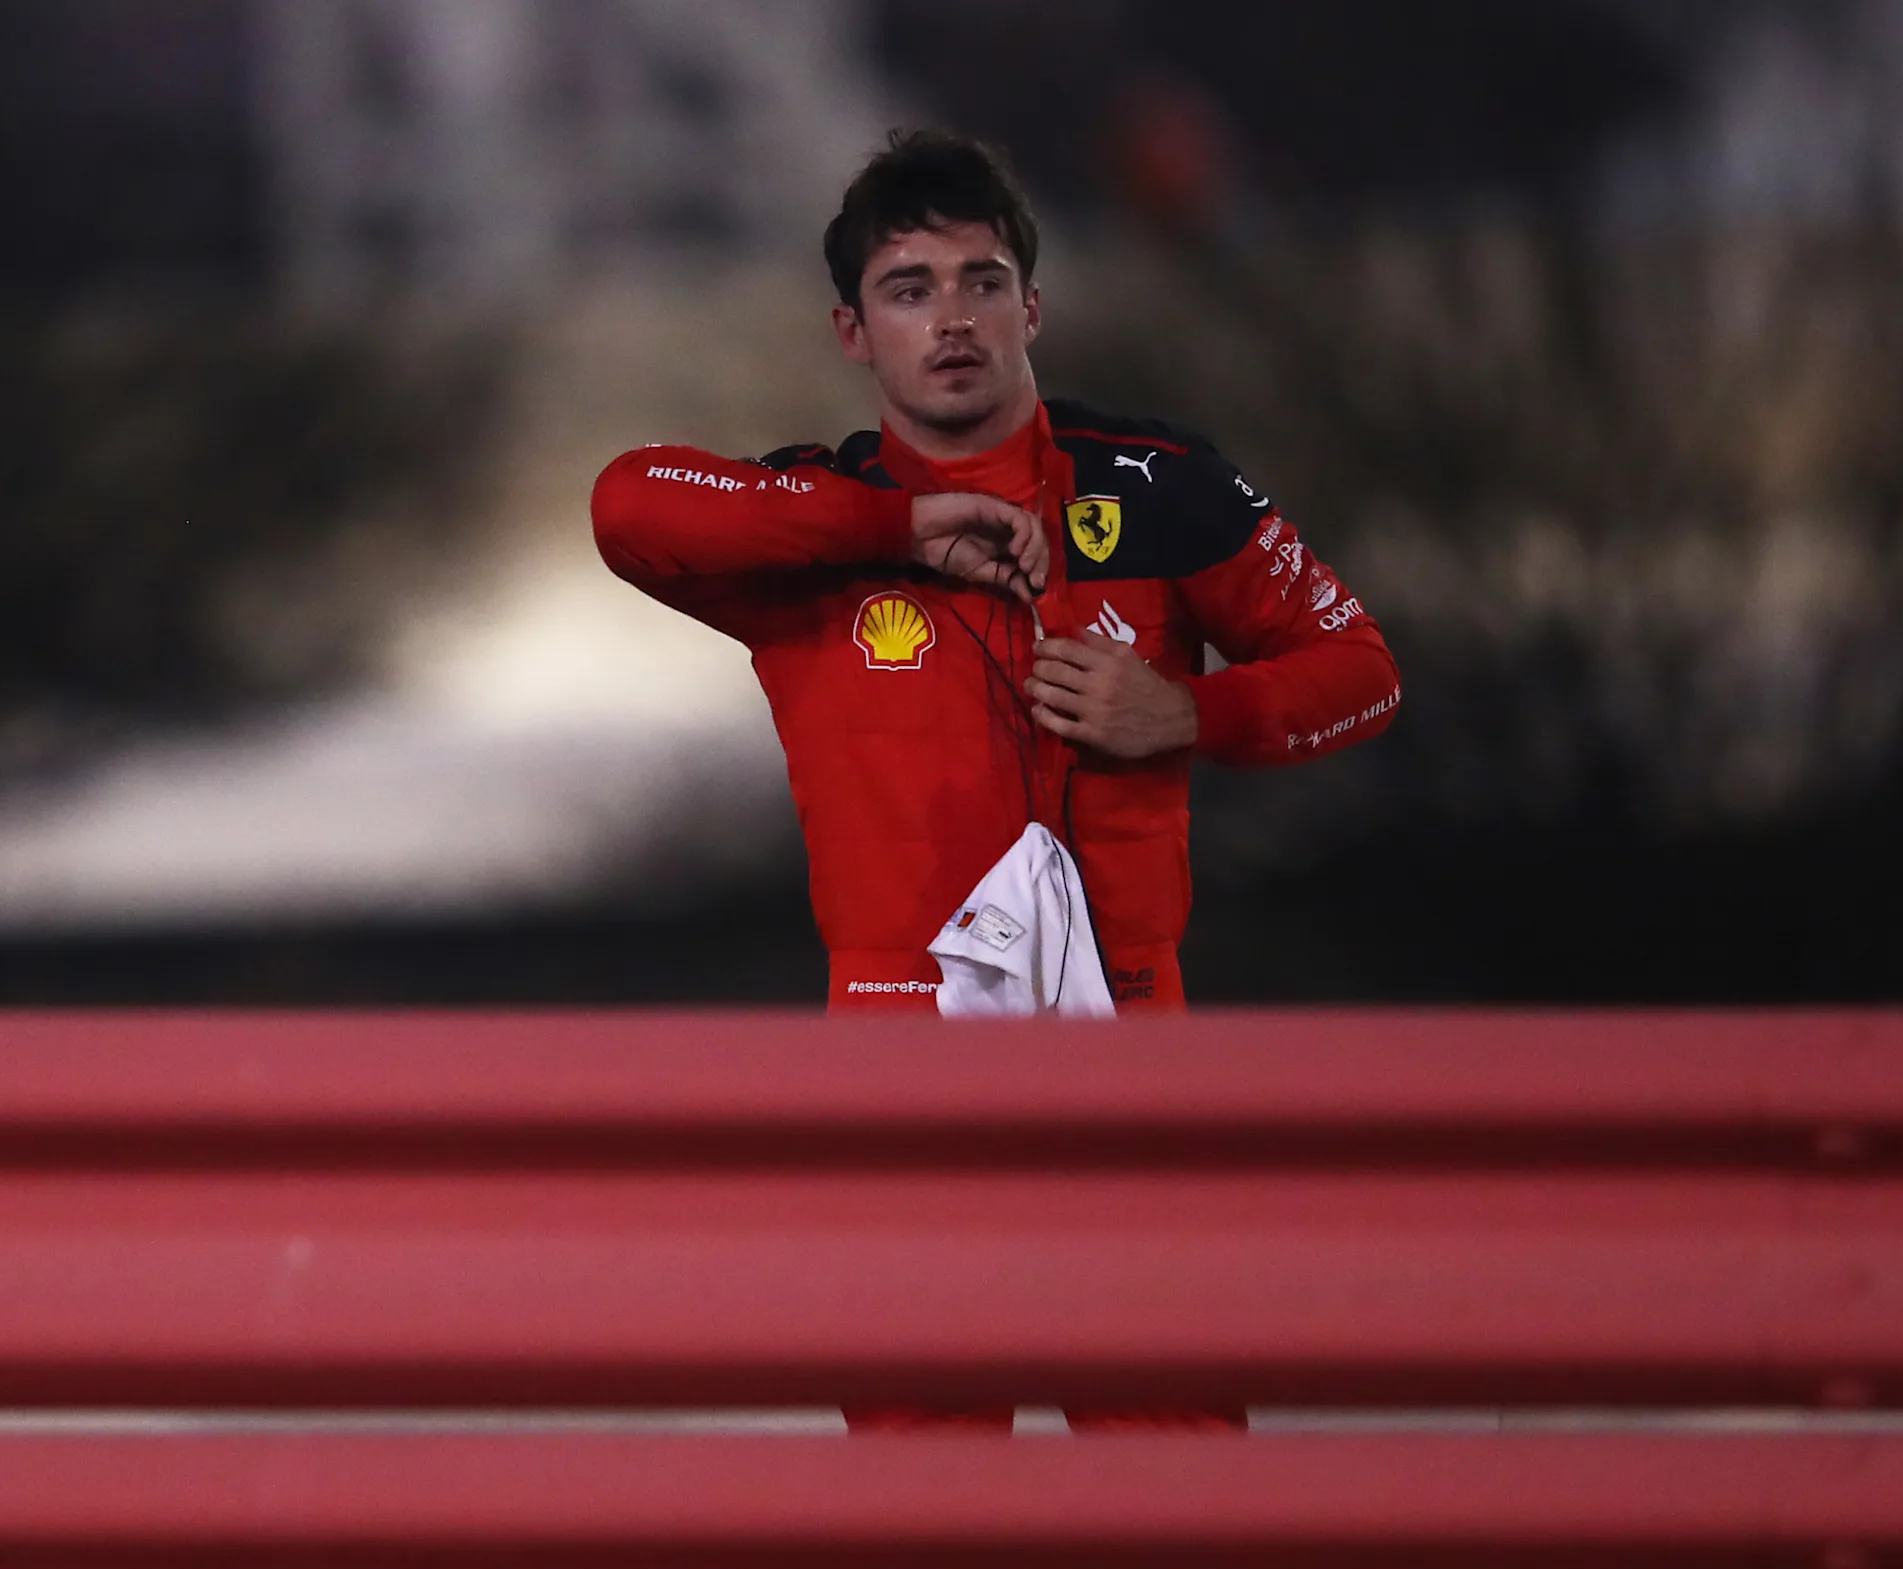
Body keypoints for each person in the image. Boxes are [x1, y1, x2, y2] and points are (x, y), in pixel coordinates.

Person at [591, 131, 1401, 1016]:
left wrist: (1187, 711)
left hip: (1128, 1017)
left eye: (983, 282)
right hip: (897, 1034)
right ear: (851, 332)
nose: (954, 320)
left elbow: (1364, 675)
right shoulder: (817, 521)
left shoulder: (1160, 484)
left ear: (1033, 309)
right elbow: (626, 506)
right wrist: (893, 525)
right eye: (910, 289)